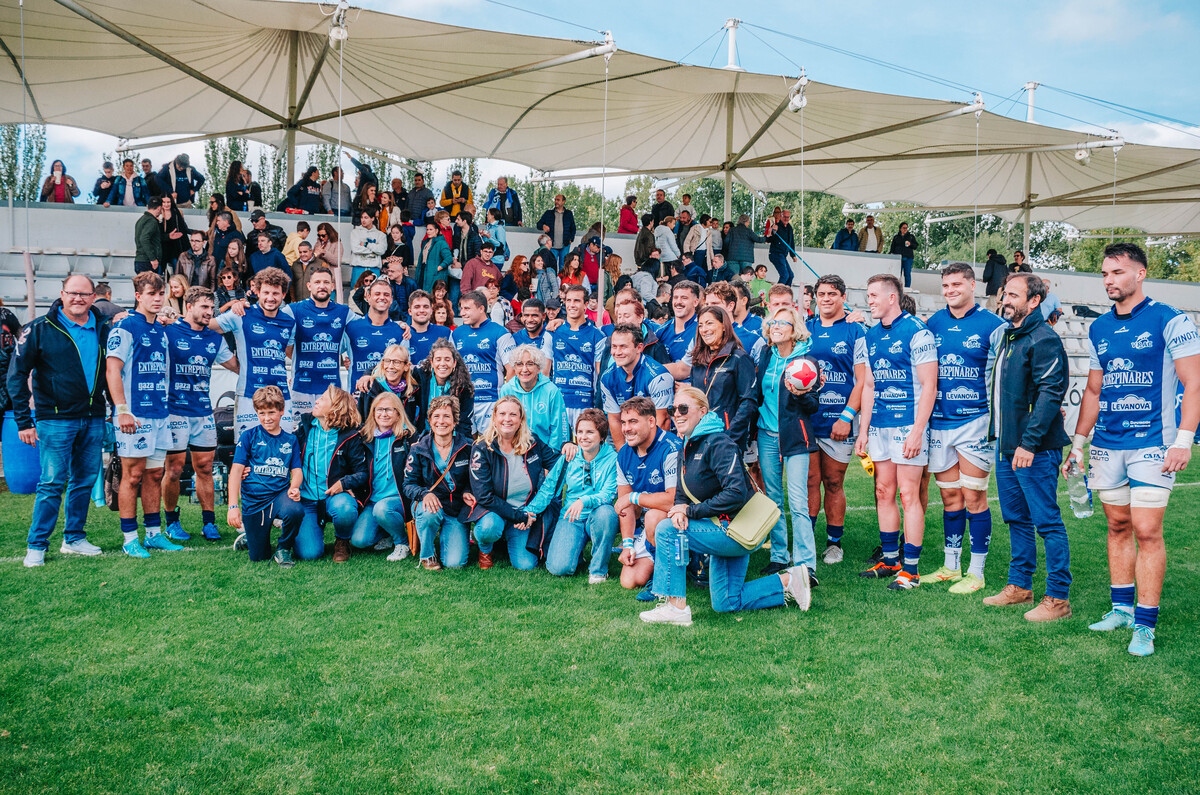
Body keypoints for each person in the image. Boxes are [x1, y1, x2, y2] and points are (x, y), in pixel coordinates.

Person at [1068, 243, 1200, 655]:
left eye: (1118, 272)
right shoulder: (1099, 328)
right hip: (1108, 444)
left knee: (1147, 530)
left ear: (1140, 274)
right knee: (1117, 526)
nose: (1109, 280)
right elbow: (1092, 389)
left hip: (1154, 443)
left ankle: (1145, 624)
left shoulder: (1171, 319)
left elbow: (1193, 383)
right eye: (1105, 273)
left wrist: (1183, 440)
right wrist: (1078, 445)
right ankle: (1121, 609)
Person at [639, 387, 811, 626]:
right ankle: (789, 580)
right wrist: (680, 507)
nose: (676, 414)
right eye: (673, 409)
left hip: (738, 530)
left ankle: (675, 607)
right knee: (727, 602)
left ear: (702, 411)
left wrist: (690, 511)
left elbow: (736, 493)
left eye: (683, 408)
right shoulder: (687, 443)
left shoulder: (719, 442)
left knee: (667, 531)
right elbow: (681, 491)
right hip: (723, 527)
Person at [984, 271, 1074, 620]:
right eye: (1005, 294)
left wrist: (1029, 444)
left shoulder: (1043, 338)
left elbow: (1051, 395)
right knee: (1016, 519)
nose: (1006, 300)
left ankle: (1058, 598)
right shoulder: (1009, 335)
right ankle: (1020, 586)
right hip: (1007, 447)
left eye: (1014, 295)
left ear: (1034, 301)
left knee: (1047, 521)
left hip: (1032, 449)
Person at [919, 263, 1007, 591]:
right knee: (951, 497)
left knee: (974, 498)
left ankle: (977, 572)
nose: (950, 290)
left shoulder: (994, 326)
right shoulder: (933, 323)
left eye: (957, 284)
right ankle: (950, 566)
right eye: (946, 285)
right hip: (940, 422)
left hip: (975, 422)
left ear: (972, 285)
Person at [12, 275, 109, 567]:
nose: (78, 298)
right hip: (54, 420)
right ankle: (37, 545)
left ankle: (74, 538)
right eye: (72, 293)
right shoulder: (39, 329)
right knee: (52, 482)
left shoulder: (105, 327)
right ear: (62, 294)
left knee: (84, 480)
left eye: (84, 294)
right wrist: (23, 421)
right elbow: (16, 376)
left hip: (93, 417)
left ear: (94, 297)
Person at [856, 274, 938, 589]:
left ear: (892, 297)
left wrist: (918, 431)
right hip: (879, 425)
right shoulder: (869, 337)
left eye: (874, 295)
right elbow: (870, 386)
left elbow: (930, 385)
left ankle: (912, 570)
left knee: (908, 495)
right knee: (882, 491)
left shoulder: (918, 332)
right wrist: (863, 430)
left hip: (908, 424)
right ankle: (890, 561)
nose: (869, 300)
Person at [107, 271, 179, 558]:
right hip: (134, 415)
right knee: (133, 475)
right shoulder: (125, 327)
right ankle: (129, 538)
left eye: (161, 293)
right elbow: (113, 370)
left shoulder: (160, 329)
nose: (158, 298)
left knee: (154, 474)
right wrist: (122, 410)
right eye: (152, 293)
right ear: (138, 295)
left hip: (159, 413)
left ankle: (153, 534)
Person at [161, 286, 238, 543]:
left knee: (204, 467)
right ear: (189, 307)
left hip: (203, 411)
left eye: (211, 308)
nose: (209, 313)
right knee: (173, 469)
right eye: (204, 307)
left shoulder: (214, 338)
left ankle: (209, 522)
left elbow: (237, 366)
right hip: (174, 411)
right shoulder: (169, 331)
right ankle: (171, 521)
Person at [754, 304, 822, 578]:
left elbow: (814, 405)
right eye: (773, 322)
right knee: (773, 499)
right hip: (766, 436)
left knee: (798, 501)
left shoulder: (806, 362)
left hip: (795, 438)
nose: (776, 326)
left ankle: (806, 564)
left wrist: (800, 394)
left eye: (783, 323)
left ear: (795, 331)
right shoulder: (765, 355)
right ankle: (780, 556)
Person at [804, 275, 867, 565]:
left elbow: (862, 381)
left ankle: (834, 543)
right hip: (807, 418)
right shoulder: (806, 328)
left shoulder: (856, 331)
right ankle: (806, 542)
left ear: (843, 296)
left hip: (838, 421)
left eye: (832, 293)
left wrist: (846, 417)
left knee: (832, 481)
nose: (825, 298)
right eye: (821, 293)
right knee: (809, 481)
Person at [467, 396, 565, 570]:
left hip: (523, 511)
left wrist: (569, 446)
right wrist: (520, 516)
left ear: (521, 420)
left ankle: (508, 538)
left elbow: (558, 465)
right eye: (502, 414)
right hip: (494, 512)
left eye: (513, 414)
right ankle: (485, 548)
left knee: (526, 565)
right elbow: (484, 496)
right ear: (494, 418)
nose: (507, 419)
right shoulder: (482, 447)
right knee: (489, 528)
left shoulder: (532, 442)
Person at [212, 267, 297, 437]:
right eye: (266, 292)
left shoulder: (290, 322)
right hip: (248, 395)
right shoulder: (241, 313)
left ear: (283, 294)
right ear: (257, 292)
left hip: (281, 396)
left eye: (276, 293)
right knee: (246, 454)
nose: (270, 298)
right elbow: (207, 327)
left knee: (283, 451)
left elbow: (291, 353)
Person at [226, 386, 304, 566]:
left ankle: (283, 548)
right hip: (254, 501)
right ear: (256, 412)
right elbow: (236, 471)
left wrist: (294, 487)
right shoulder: (248, 436)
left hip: (279, 496)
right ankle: (250, 538)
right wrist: (232, 506)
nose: (267, 418)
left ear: (282, 411)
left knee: (295, 510)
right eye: (262, 413)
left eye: (271, 412)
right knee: (259, 556)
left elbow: (297, 471)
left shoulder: (290, 440)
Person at [612, 397, 682, 597]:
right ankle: (663, 560)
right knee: (629, 580)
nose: (626, 429)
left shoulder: (671, 447)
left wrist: (634, 497)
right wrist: (627, 544)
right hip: (651, 527)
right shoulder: (624, 454)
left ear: (651, 422)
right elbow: (625, 507)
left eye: (633, 422)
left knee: (654, 517)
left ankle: (665, 577)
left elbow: (672, 500)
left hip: (680, 518)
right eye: (623, 423)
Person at [293, 386, 367, 563]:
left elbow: (362, 473)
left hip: (335, 497)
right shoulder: (304, 428)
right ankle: (306, 529)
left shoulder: (350, 436)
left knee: (346, 509)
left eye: (323, 399)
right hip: (306, 499)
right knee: (309, 554)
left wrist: (344, 483)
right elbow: (282, 450)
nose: (316, 401)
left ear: (336, 407)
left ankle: (342, 540)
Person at [546, 409, 620, 582]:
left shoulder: (613, 459)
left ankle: (598, 569)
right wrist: (530, 511)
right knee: (559, 568)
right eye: (579, 432)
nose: (583, 437)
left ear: (601, 436)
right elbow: (549, 488)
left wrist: (584, 500)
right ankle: (576, 553)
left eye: (589, 432)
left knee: (607, 514)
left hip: (598, 514)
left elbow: (609, 495)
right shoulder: (570, 455)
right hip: (572, 515)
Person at [402, 395, 474, 570]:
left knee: (455, 563)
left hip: (456, 510)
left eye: (447, 416)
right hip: (430, 506)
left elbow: (475, 479)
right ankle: (427, 554)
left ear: (455, 421)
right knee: (429, 514)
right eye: (436, 416)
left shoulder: (468, 447)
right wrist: (424, 494)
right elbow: (408, 485)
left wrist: (466, 490)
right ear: (429, 420)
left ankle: (449, 536)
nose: (441, 421)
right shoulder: (418, 449)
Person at [349, 391, 416, 559]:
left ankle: (402, 542)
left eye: (388, 410)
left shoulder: (408, 438)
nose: (383, 414)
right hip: (374, 500)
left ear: (398, 413)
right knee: (359, 540)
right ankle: (388, 533)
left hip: (400, 499)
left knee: (383, 509)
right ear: (373, 413)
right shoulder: (365, 438)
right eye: (379, 410)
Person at [689, 306, 757, 448]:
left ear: (724, 326)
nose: (704, 329)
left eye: (709, 323)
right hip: (700, 436)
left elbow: (748, 402)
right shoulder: (698, 361)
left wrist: (730, 436)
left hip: (727, 438)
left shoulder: (739, 358)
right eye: (700, 325)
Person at [288, 265, 352, 418]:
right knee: (301, 433)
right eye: (317, 282)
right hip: (301, 387)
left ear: (332, 286)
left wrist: (400, 325)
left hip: (331, 389)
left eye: (326, 282)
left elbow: (369, 325)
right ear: (309, 286)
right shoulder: (294, 309)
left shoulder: (344, 312)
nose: (322, 286)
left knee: (331, 432)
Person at [601, 324, 675, 444]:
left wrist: (649, 457)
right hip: (628, 433)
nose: (617, 352)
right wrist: (624, 456)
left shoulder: (658, 376)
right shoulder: (607, 377)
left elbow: (662, 421)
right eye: (614, 347)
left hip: (657, 440)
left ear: (639, 347)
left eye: (623, 347)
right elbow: (614, 419)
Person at [452, 290, 507, 433]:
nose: (462, 313)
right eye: (461, 308)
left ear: (481, 308)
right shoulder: (457, 333)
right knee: (466, 444)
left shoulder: (500, 332)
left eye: (467, 308)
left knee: (489, 445)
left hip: (491, 400)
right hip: (464, 400)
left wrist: (504, 401)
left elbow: (511, 369)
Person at [499, 345, 570, 449]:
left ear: (538, 368)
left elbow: (558, 429)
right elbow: (501, 424)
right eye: (519, 364)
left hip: (544, 452)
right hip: (514, 449)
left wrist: (551, 457)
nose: (524, 369)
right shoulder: (507, 390)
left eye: (530, 364)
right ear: (514, 367)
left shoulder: (551, 391)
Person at [343, 277, 409, 383]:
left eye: (386, 295)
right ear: (368, 297)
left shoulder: (401, 332)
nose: (382, 298)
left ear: (391, 299)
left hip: (387, 396)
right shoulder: (351, 327)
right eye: (377, 294)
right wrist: (345, 360)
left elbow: (405, 368)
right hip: (357, 396)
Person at [413, 338, 474, 438]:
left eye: (447, 359)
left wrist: (462, 447)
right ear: (432, 363)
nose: (442, 364)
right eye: (438, 359)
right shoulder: (419, 379)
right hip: (424, 437)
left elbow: (464, 424)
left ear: (454, 363)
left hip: (451, 439)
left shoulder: (464, 387)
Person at [353, 342, 420, 430]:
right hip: (374, 440)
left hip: (404, 439)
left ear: (406, 366)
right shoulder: (368, 387)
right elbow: (358, 420)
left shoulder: (412, 389)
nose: (391, 366)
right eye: (387, 361)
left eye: (397, 362)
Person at [499, 298, 553, 379]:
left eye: (534, 316)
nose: (530, 320)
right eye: (526, 315)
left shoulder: (551, 335)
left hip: (546, 387)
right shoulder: (515, 338)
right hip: (523, 388)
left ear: (544, 316)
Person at [659, 281, 701, 381]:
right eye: (675, 297)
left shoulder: (702, 329)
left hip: (693, 391)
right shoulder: (662, 330)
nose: (678, 302)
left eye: (684, 298)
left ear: (696, 302)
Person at [405, 290, 452, 366]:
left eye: (425, 307)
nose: (422, 310)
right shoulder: (404, 334)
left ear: (431, 310)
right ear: (410, 311)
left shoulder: (445, 333)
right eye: (417, 307)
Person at [349, 206, 386, 285]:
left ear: (372, 218)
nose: (363, 220)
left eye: (366, 217)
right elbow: (355, 249)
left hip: (374, 269)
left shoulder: (381, 235)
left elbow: (381, 250)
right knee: (355, 293)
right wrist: (374, 250)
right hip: (358, 268)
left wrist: (366, 244)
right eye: (362, 217)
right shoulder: (355, 232)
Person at [538, 194, 576, 267]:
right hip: (552, 246)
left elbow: (573, 228)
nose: (556, 201)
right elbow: (538, 224)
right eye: (555, 200)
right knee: (551, 266)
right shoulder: (548, 213)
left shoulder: (569, 214)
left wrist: (571, 239)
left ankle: (561, 279)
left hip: (565, 245)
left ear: (563, 201)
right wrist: (543, 226)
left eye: (558, 200)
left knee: (563, 266)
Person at [415, 221, 453, 295]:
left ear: (436, 230)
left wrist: (437, 268)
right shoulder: (426, 242)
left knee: (432, 296)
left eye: (430, 229)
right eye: (427, 229)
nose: (428, 231)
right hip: (424, 271)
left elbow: (449, 258)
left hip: (435, 275)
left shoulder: (441, 243)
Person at [134, 197, 165, 275]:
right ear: (159, 208)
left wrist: (168, 236)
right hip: (147, 262)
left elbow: (151, 238)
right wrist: (153, 259)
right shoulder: (152, 221)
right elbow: (144, 239)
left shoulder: (141, 220)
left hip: (141, 261)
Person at [768, 210, 797, 286]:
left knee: (790, 276)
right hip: (775, 254)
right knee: (785, 275)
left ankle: (786, 294)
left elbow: (791, 242)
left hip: (783, 255)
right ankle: (776, 294)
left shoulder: (789, 228)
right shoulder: (776, 226)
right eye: (785, 217)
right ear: (781, 216)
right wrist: (773, 232)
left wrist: (793, 255)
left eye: (788, 217)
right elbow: (770, 239)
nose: (786, 219)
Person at [890, 222, 919, 288]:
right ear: (900, 229)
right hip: (898, 258)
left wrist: (910, 244)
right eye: (904, 228)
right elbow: (892, 248)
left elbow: (916, 246)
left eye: (906, 228)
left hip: (908, 258)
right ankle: (897, 288)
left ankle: (907, 288)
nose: (905, 229)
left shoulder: (911, 237)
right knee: (897, 274)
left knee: (907, 274)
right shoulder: (896, 237)